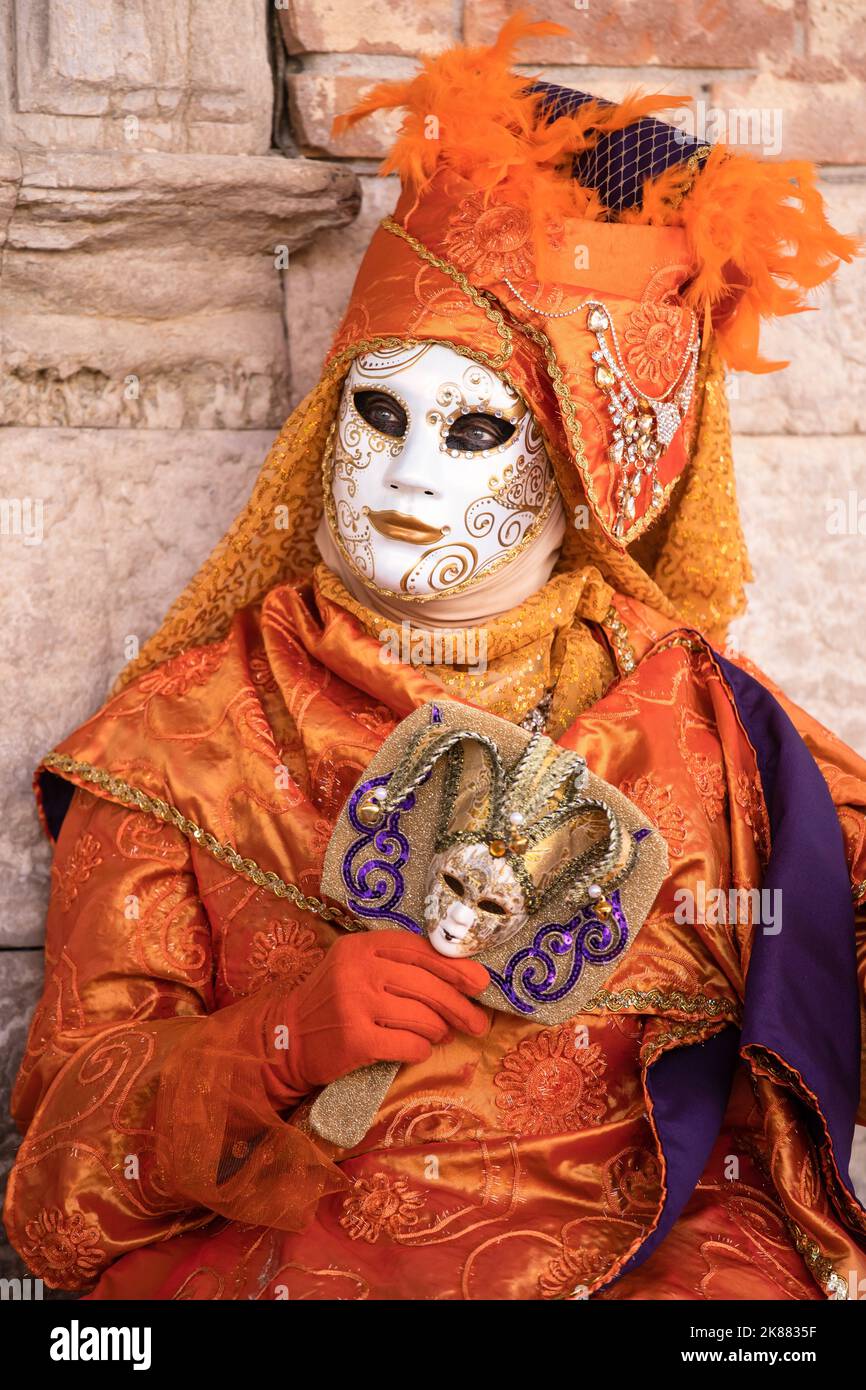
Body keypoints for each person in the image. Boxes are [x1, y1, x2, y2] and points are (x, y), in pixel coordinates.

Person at [6, 15, 866, 1301]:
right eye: (376, 408)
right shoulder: (184, 740)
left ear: (589, 467)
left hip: (661, 1266)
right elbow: (59, 1187)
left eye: (475, 427)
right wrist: (280, 1041)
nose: (410, 473)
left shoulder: (706, 722)